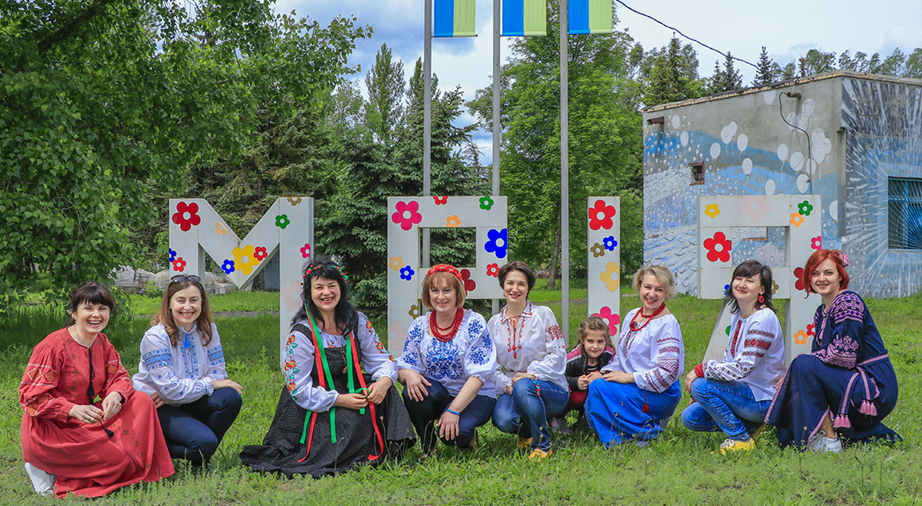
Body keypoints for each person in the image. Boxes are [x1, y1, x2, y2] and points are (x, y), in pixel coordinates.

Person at [240, 259, 415, 476]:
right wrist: (341, 399)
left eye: (332, 285)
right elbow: (298, 388)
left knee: (387, 392)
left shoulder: (357, 321)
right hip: (315, 398)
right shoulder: (301, 334)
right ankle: (345, 454)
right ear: (309, 292)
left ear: (341, 288)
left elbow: (381, 359)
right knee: (343, 418)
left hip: (350, 387)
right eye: (319, 287)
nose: (326, 292)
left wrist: (384, 382)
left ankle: (383, 447)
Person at [19, 282, 174, 498]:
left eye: (102, 308)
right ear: (74, 313)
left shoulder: (102, 342)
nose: (96, 315)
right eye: (88, 308)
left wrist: (115, 394)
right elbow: (30, 397)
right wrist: (71, 409)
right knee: (120, 458)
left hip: (87, 418)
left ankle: (82, 465)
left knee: (141, 401)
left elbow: (119, 377)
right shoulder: (52, 346)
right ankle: (47, 470)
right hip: (52, 430)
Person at [765, 249, 900, 452]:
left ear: (840, 276)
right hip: (850, 378)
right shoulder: (821, 312)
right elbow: (819, 361)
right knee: (803, 370)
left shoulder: (848, 301)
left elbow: (844, 355)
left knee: (803, 365)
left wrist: (795, 369)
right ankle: (846, 435)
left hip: (873, 384)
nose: (821, 278)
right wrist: (795, 374)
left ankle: (829, 440)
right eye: (815, 273)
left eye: (828, 273)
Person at [132, 274, 243, 467]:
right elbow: (171, 391)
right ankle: (146, 447)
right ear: (169, 303)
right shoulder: (155, 337)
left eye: (193, 300)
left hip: (185, 399)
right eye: (180, 300)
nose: (187, 306)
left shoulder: (208, 330)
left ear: (202, 303)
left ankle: (200, 456)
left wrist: (179, 390)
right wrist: (208, 384)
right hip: (157, 407)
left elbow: (218, 374)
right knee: (205, 443)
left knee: (230, 396)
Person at [397, 264, 498, 462]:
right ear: (428, 294)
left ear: (457, 292)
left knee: (454, 436)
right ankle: (429, 447)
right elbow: (404, 367)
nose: (440, 297)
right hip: (439, 393)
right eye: (434, 290)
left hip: (475, 394)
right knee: (411, 391)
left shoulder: (474, 323)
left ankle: (468, 436)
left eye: (447, 290)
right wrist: (408, 374)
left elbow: (478, 376)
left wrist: (454, 410)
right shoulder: (419, 325)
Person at [681, 260, 785, 453]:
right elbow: (730, 361)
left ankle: (741, 440)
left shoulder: (763, 319)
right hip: (741, 393)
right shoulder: (739, 314)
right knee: (691, 418)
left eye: (750, 281)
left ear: (762, 289)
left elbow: (742, 367)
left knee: (700, 385)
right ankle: (753, 428)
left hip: (762, 398)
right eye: (739, 278)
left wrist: (701, 370)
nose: (742, 284)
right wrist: (708, 391)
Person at [584, 265, 685, 447]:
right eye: (648, 287)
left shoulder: (667, 324)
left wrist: (629, 378)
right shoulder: (632, 315)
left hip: (660, 392)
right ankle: (624, 434)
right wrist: (604, 373)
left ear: (667, 293)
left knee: (599, 388)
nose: (652, 294)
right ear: (639, 286)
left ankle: (646, 432)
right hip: (634, 384)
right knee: (596, 384)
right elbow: (622, 358)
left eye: (659, 289)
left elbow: (668, 373)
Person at [488, 261, 568, 460]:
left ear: (529, 288)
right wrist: (507, 385)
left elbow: (558, 355)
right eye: (510, 283)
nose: (515, 289)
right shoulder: (494, 323)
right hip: (512, 385)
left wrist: (530, 374)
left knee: (524, 385)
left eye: (521, 284)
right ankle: (526, 431)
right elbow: (491, 366)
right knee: (503, 420)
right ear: (502, 285)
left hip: (550, 387)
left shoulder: (543, 314)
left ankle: (542, 444)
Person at [563, 315, 615, 423]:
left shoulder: (609, 355)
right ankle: (558, 416)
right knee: (579, 396)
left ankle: (593, 419)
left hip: (595, 394)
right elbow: (558, 377)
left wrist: (602, 375)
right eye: (590, 341)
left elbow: (617, 370)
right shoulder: (573, 359)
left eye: (600, 341)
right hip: (575, 394)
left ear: (606, 340)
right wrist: (575, 382)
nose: (595, 346)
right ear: (582, 339)